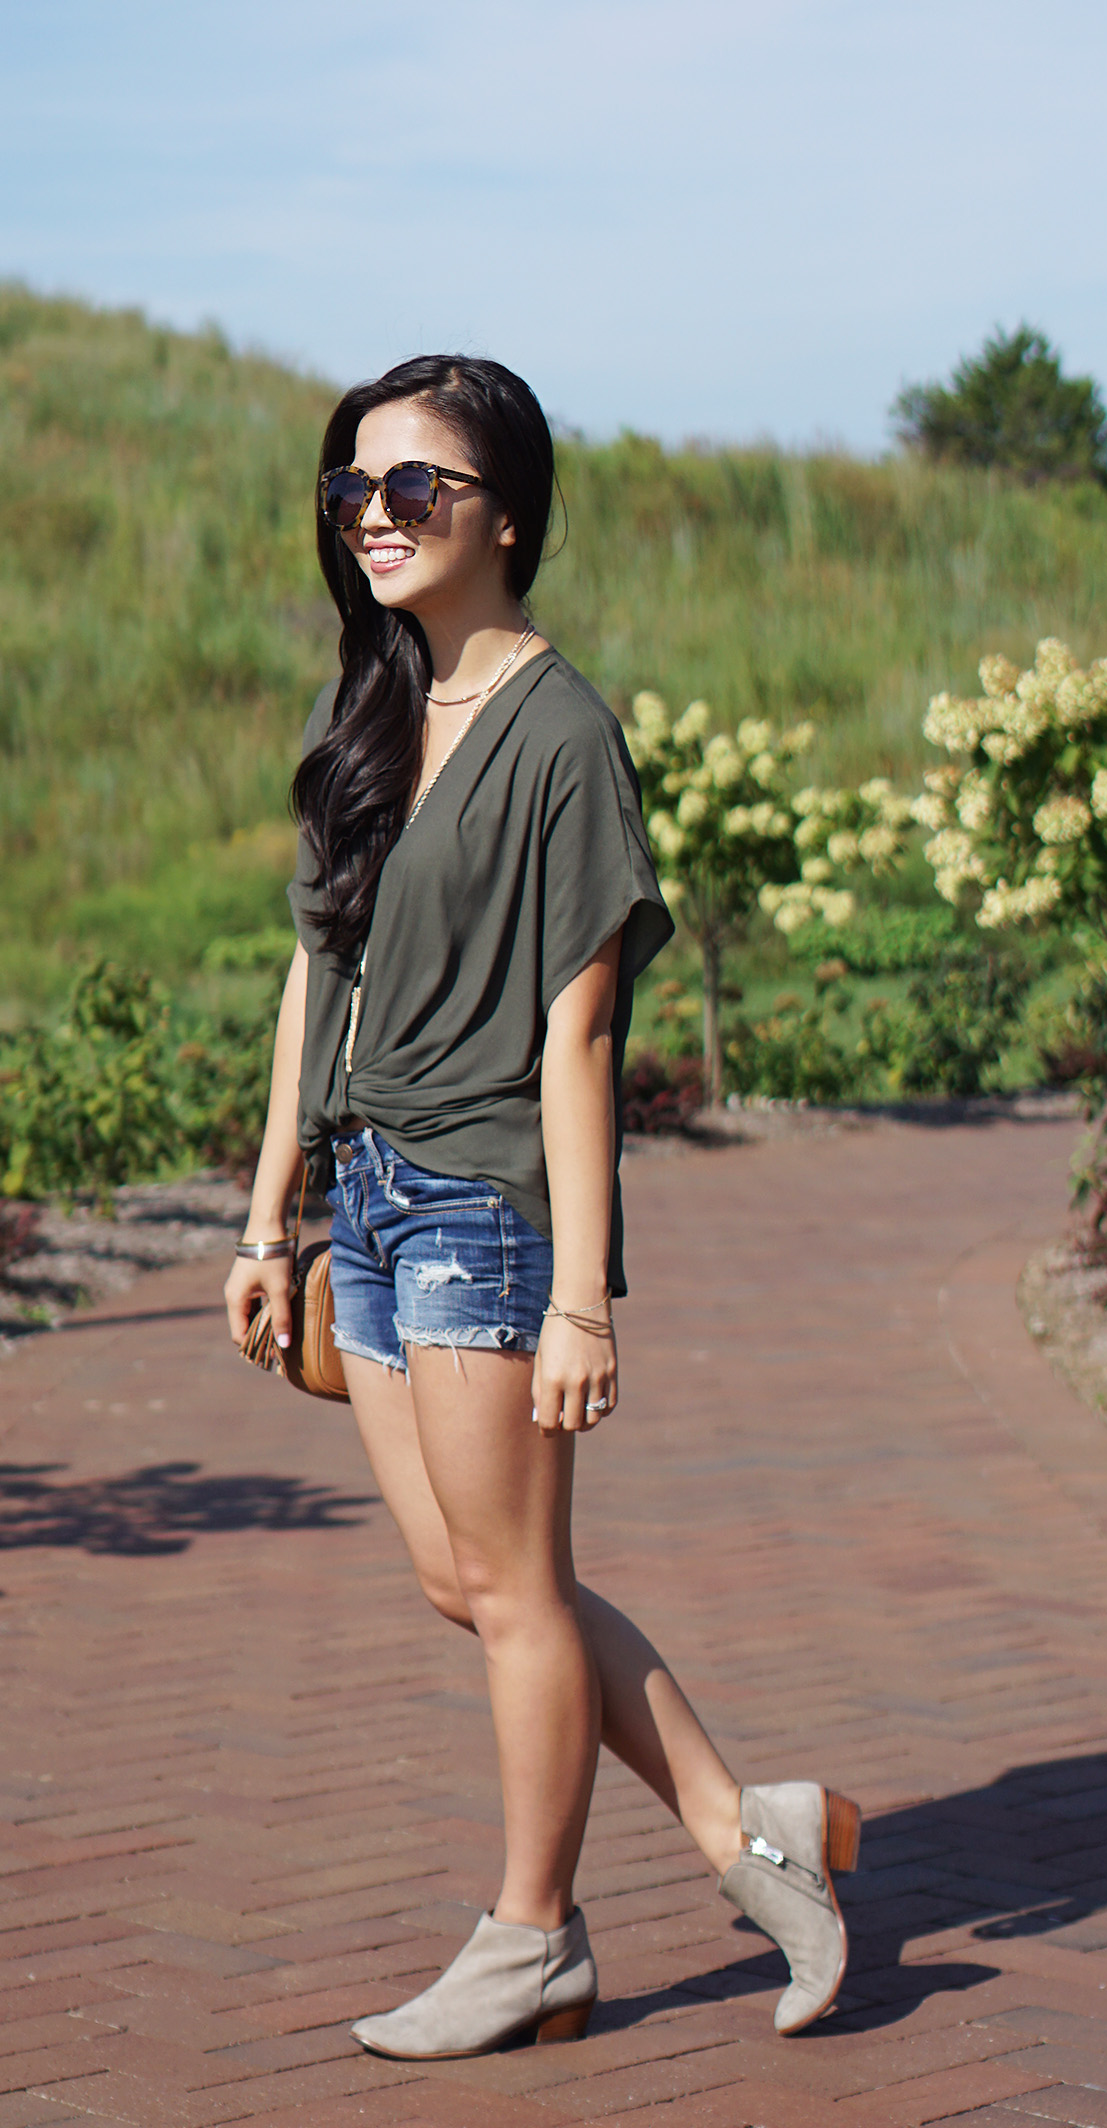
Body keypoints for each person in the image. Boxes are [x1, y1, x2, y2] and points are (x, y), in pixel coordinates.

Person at [223, 354, 859, 2060]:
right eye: (351, 488)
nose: (371, 515)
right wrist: (268, 1209)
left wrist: (583, 1297)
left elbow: (582, 1034)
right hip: (360, 1200)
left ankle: (533, 1940)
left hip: (479, 1208)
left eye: (410, 488)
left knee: (514, 1588)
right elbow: (315, 968)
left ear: (504, 509)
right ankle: (745, 1823)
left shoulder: (563, 734)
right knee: (478, 1581)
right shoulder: (366, 701)